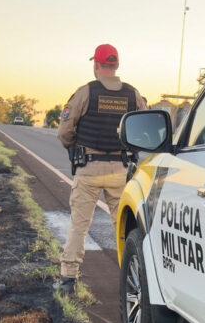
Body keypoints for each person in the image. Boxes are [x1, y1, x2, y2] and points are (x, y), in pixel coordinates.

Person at [55, 44, 147, 295]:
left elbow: (64, 132)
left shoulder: (86, 92)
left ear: (96, 65)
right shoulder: (133, 95)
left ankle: (68, 279)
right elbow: (144, 128)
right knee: (126, 228)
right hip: (120, 170)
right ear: (115, 65)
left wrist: (74, 146)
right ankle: (134, 280)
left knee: (79, 225)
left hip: (89, 170)